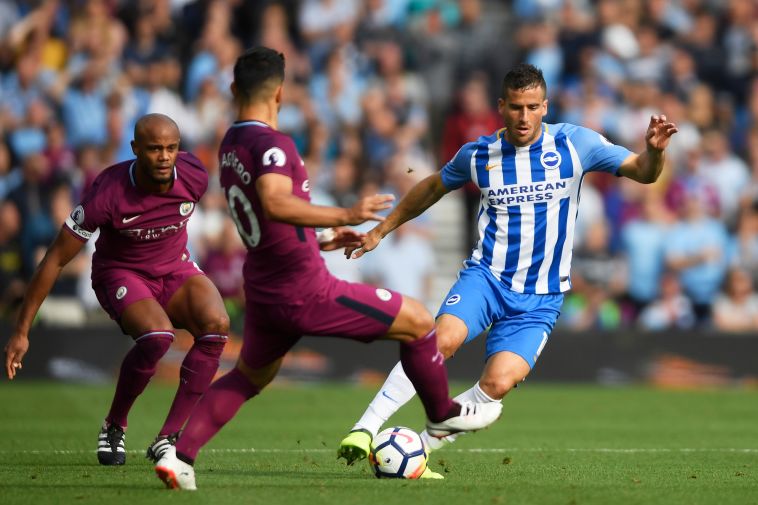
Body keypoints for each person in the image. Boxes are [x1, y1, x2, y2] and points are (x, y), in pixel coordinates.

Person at [153, 47, 502, 491]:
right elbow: (277, 203)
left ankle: (181, 456)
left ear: (234, 89)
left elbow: (261, 216)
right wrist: (346, 215)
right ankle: (442, 412)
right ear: (280, 92)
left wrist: (321, 239)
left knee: (250, 375)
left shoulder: (232, 143)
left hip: (263, 286)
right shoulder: (271, 145)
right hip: (303, 289)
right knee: (417, 321)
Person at [336, 63, 679, 468]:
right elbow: (431, 187)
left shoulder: (575, 144)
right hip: (487, 279)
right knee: (439, 339)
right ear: (501, 106)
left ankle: (418, 453)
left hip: (541, 298)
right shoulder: (478, 154)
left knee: (498, 384)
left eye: (533, 107)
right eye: (516, 107)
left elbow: (642, 173)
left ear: (545, 106)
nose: (524, 116)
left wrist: (654, 152)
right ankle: (366, 426)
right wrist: (383, 230)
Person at [3, 114, 230, 467]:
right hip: (121, 274)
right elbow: (54, 260)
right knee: (158, 336)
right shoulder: (106, 192)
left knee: (217, 325)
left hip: (174, 268)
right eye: (155, 149)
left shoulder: (195, 175)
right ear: (135, 149)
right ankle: (115, 424)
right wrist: (21, 331)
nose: (164, 157)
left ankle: (167, 438)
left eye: (171, 148)